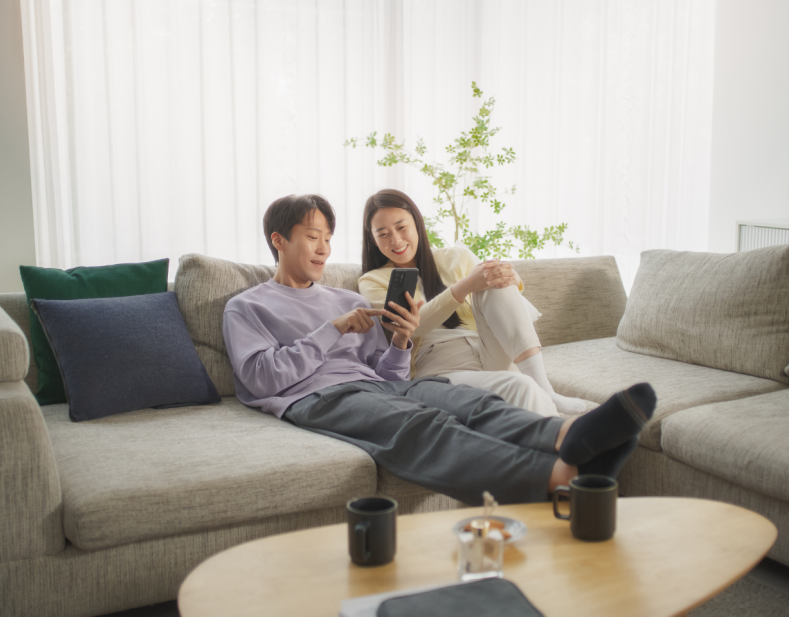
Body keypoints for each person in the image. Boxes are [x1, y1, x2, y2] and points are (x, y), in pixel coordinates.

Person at [222, 193, 655, 505]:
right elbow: (261, 379)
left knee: (471, 404)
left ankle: (566, 433)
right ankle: (562, 477)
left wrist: (400, 340)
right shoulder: (246, 306)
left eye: (328, 238)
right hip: (316, 398)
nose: (324, 248)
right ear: (278, 241)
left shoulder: (347, 299)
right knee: (421, 426)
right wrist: (328, 333)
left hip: (381, 387)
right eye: (313, 237)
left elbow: (389, 373)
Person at [358, 189, 589, 418]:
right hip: (441, 368)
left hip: (489, 350)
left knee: (490, 275)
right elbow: (413, 328)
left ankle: (545, 388)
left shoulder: (455, 257)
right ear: (373, 239)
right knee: (521, 385)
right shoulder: (372, 280)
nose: (396, 240)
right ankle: (557, 436)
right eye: (383, 234)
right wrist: (464, 286)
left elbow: (509, 301)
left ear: (417, 224)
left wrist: (510, 277)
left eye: (401, 227)